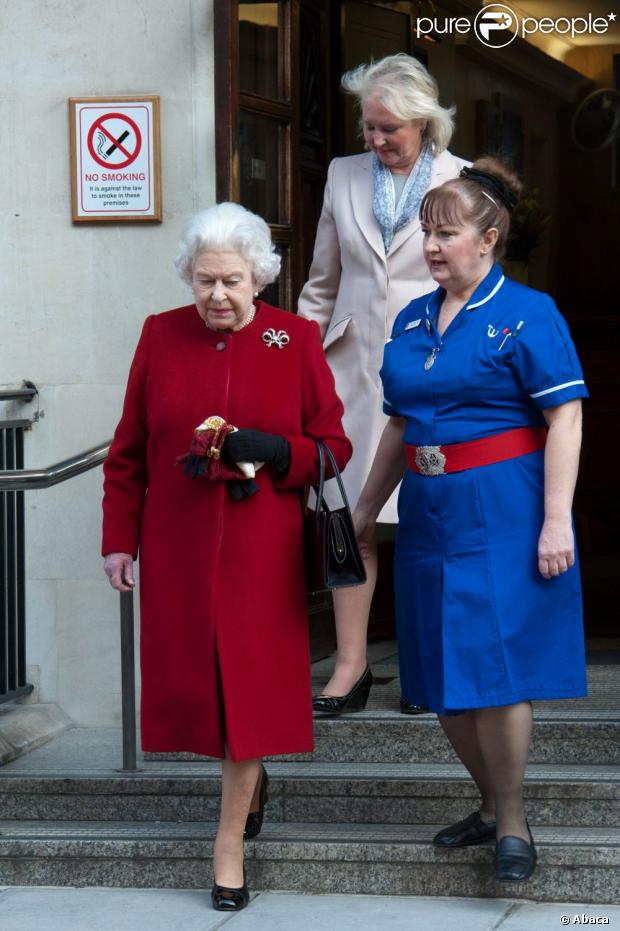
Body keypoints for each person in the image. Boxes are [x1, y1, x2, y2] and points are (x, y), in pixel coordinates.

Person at [101, 202, 351, 911]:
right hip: (179, 544)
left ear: (259, 278)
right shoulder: (160, 336)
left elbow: (334, 447)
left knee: (249, 687)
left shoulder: (294, 339)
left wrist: (280, 452)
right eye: (205, 280)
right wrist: (120, 538)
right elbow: (126, 454)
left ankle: (227, 846)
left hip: (259, 550)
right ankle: (251, 780)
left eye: (232, 281)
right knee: (201, 688)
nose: (217, 295)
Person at [352, 157, 588, 882]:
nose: (431, 245)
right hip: (428, 507)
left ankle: (513, 821)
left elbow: (566, 416)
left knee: (497, 666)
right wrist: (364, 508)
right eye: (426, 232)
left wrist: (557, 519)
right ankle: (489, 803)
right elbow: (399, 423)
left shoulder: (529, 311)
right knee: (433, 668)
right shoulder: (413, 316)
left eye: (446, 233)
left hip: (503, 505)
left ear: (488, 239)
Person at [298, 53, 467, 714]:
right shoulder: (341, 175)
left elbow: (478, 286)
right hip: (351, 376)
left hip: (433, 374)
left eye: (388, 127)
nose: (374, 139)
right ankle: (349, 664)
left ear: (423, 122)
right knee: (350, 519)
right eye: (368, 126)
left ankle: (430, 666)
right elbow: (321, 283)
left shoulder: (463, 178)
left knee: (433, 520)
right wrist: (301, 369)